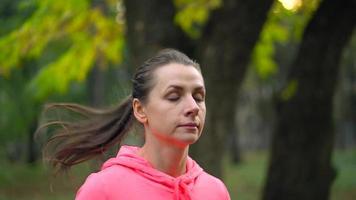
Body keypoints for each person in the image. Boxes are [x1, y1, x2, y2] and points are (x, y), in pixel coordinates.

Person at [38, 49, 231, 200]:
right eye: (174, 97)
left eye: (198, 97)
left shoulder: (215, 191)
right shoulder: (104, 189)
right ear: (140, 110)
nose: (193, 107)